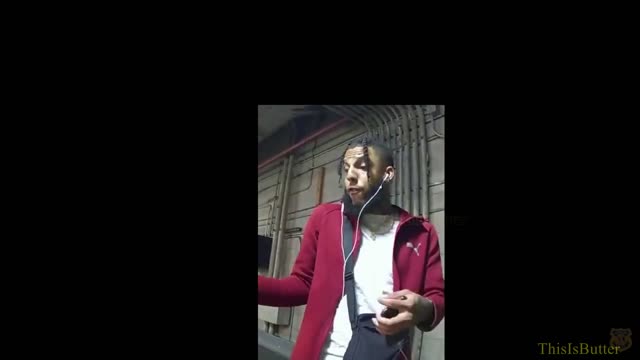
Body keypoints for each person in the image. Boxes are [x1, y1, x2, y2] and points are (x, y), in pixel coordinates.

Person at [258, 137, 444, 360]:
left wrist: (423, 308)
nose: (350, 176)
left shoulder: (421, 232)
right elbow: (302, 284)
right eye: (346, 169)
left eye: (362, 167)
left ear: (388, 174)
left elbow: (436, 295)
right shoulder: (325, 218)